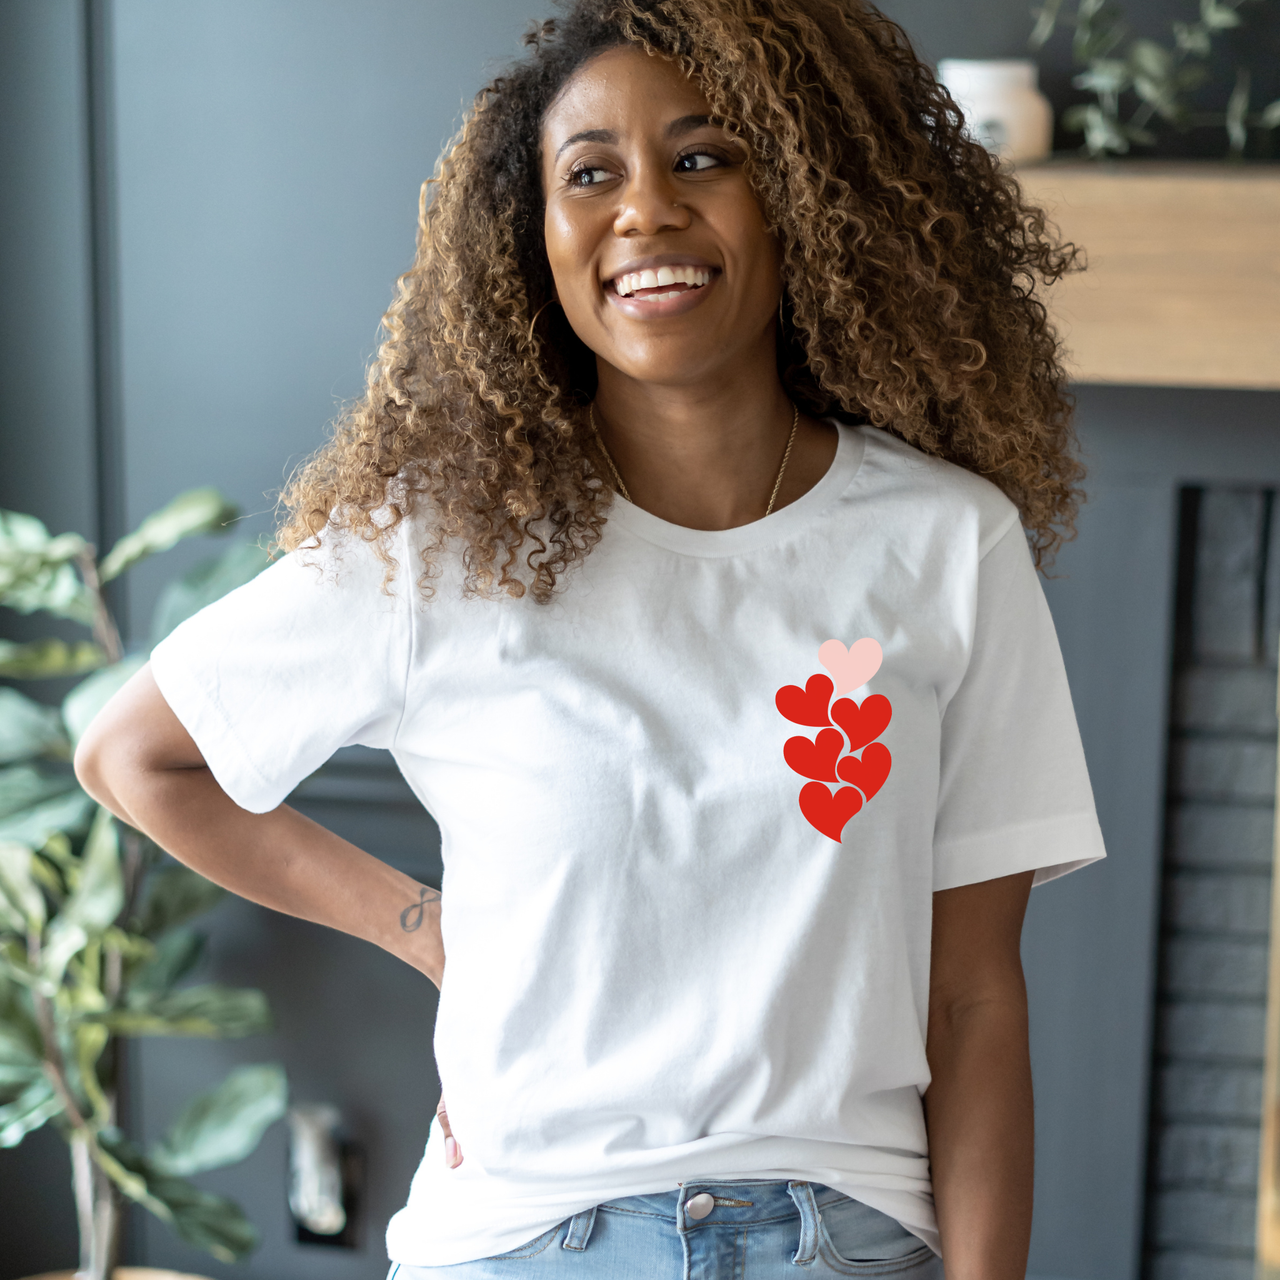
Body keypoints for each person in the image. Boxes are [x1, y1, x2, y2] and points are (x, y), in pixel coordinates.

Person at [75, 1, 1105, 1276]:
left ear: (800, 194)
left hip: (840, 1232)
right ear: (536, 235)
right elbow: (135, 755)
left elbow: (972, 996)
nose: (645, 211)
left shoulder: (948, 543)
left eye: (702, 157)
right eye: (589, 174)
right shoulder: (441, 546)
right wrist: (416, 926)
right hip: (524, 1236)